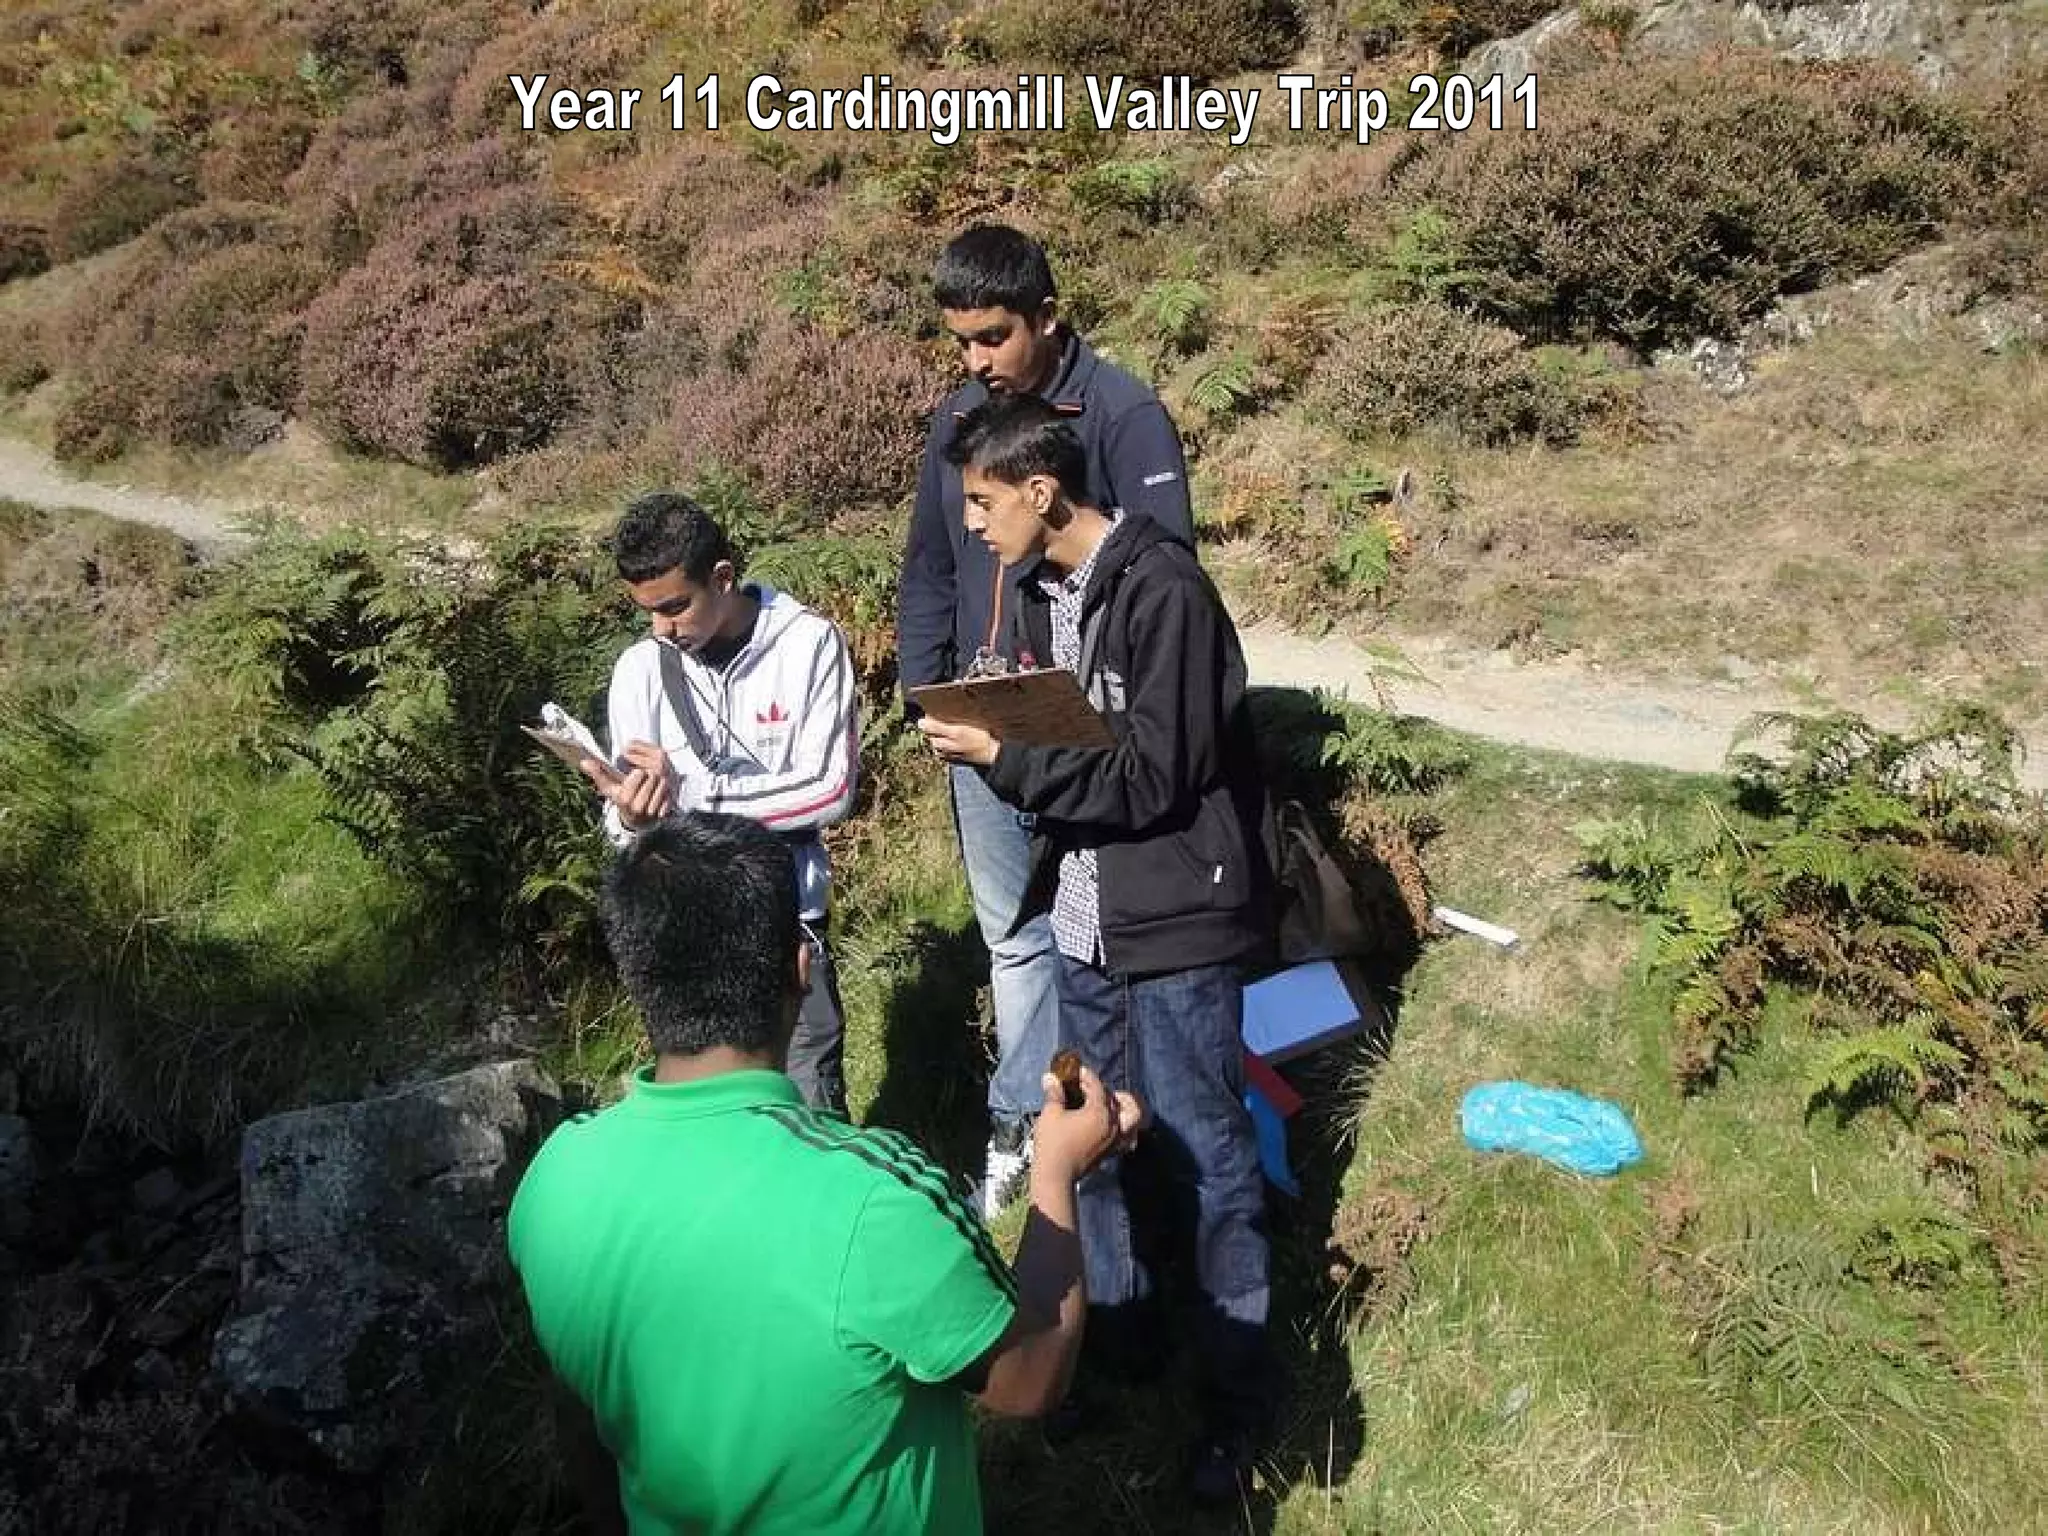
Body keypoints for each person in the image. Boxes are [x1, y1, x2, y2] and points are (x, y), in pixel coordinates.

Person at [508, 812, 1146, 1535]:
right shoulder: (875, 1194)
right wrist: (1057, 1170)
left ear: (637, 976)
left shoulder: (554, 1178)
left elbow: (584, 1414)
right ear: (799, 968)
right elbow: (1030, 1377)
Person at [916, 393, 1274, 1504]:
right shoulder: (1039, 591)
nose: (969, 527)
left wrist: (1002, 757)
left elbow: (1154, 774)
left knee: (1209, 1159)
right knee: (1093, 1142)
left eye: (981, 504)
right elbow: (1080, 746)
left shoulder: (1163, 590)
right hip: (1080, 918)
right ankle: (1112, 1351)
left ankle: (1236, 1408)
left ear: (1041, 491)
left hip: (1172, 922)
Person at [898, 223, 1196, 1217]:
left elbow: (1163, 578)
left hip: (1078, 736)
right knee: (1012, 940)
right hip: (974, 733)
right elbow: (930, 570)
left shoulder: (1123, 415)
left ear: (1046, 318)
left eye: (991, 338)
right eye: (958, 343)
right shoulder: (956, 421)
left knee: (1081, 932)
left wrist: (1091, 715)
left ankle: (1063, 1124)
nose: (974, 362)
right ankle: (1025, 1130)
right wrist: (922, 688)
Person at [580, 491, 857, 1115]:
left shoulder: (808, 644)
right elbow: (625, 825)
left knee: (808, 1109)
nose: (662, 629)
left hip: (784, 926)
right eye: (647, 612)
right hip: (681, 940)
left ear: (723, 578)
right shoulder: (638, 669)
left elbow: (830, 788)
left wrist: (692, 795)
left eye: (675, 607)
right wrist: (630, 814)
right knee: (709, 1124)